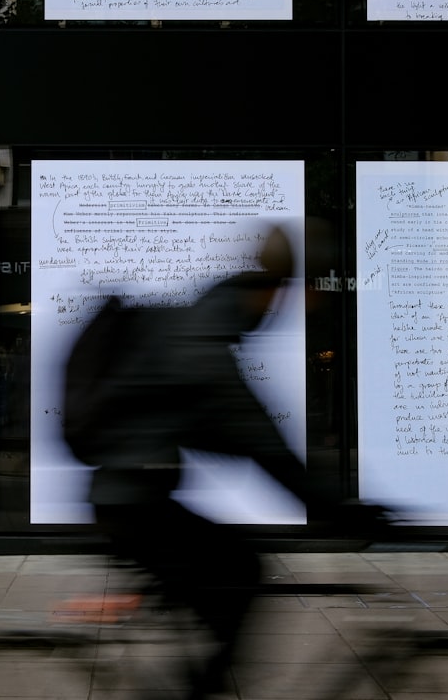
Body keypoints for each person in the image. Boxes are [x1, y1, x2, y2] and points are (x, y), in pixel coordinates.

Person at [69, 225, 390, 699]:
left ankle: (201, 682)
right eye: (298, 294)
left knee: (227, 578)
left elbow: (237, 435)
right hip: (132, 506)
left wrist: (326, 504)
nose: (299, 307)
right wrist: (339, 510)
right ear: (275, 290)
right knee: (241, 570)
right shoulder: (204, 344)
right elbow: (259, 442)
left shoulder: (204, 325)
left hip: (135, 497)